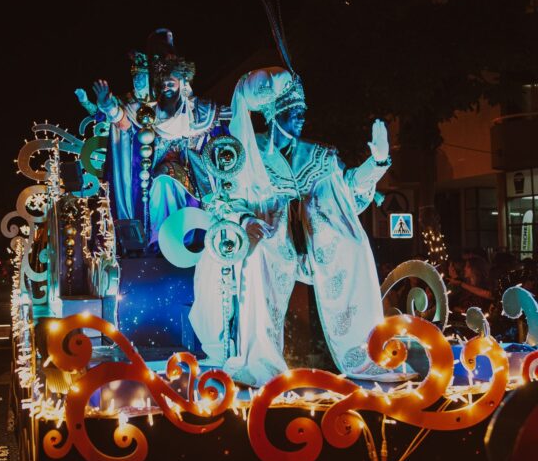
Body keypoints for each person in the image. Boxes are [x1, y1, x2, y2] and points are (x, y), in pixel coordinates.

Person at [215, 67, 406, 386]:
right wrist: (246, 221)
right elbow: (228, 199)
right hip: (272, 242)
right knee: (257, 257)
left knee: (356, 246)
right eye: (294, 112)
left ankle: (363, 353)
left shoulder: (320, 156)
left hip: (320, 243)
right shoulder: (248, 154)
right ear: (274, 115)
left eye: (304, 112)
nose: (302, 118)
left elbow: (348, 191)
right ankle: (263, 363)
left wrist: (376, 163)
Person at [95, 29, 231, 246]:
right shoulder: (148, 112)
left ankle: (183, 239)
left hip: (192, 176)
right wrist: (108, 105)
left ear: (182, 82)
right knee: (163, 183)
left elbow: (227, 114)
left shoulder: (199, 112)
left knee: (172, 185)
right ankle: (162, 240)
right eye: (163, 84)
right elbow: (124, 122)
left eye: (171, 83)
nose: (167, 87)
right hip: (155, 175)